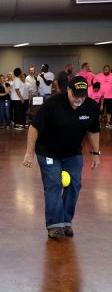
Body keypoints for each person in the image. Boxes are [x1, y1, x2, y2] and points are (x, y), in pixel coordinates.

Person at [23, 76, 101, 239]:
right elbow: (34, 128)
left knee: (74, 185)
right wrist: (29, 153)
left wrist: (95, 153)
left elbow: (93, 131)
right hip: (48, 152)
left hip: (72, 153)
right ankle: (54, 225)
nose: (79, 99)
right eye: (76, 95)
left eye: (82, 95)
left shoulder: (91, 107)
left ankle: (66, 222)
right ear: (68, 90)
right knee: (54, 184)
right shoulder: (52, 104)